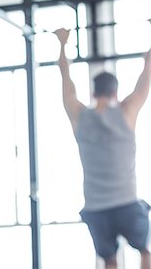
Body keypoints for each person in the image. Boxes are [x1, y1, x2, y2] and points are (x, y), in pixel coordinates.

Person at [54, 27, 151, 269]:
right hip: (127, 203)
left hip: (96, 208)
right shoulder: (127, 111)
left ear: (93, 92)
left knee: (108, 260)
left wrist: (63, 44)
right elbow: (146, 76)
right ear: (115, 93)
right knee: (146, 252)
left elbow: (65, 80)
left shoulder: (79, 116)